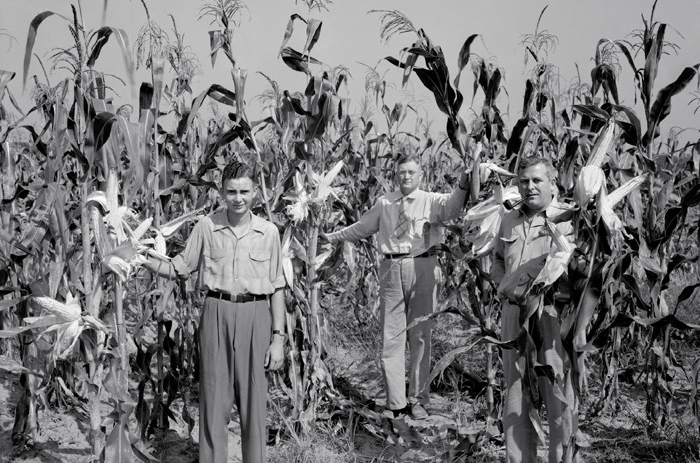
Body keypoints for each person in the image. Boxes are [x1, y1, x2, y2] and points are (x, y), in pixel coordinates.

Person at [141, 160, 286, 463]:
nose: (238, 198)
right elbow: (179, 267)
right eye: (231, 191)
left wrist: (278, 339)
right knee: (213, 401)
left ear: (255, 192)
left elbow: (277, 288)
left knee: (254, 406)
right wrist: (141, 258)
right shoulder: (207, 226)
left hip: (256, 315)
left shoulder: (269, 232)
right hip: (216, 313)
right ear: (221, 192)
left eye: (244, 191)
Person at [321, 154, 468, 419]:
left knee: (421, 337)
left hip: (424, 266)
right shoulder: (384, 202)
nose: (406, 176)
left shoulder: (432, 200)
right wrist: (331, 237)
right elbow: (361, 228)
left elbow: (454, 207)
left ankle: (419, 400)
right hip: (391, 269)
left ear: (420, 174)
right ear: (395, 175)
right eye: (402, 172)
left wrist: (465, 184)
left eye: (411, 172)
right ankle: (396, 403)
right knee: (392, 337)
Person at [491, 154, 578, 463]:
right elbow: (498, 260)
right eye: (523, 181)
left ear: (552, 183)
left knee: (556, 398)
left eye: (537, 180)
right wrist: (503, 286)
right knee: (516, 397)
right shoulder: (509, 218)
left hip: (553, 317)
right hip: (514, 315)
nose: (529, 187)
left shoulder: (569, 218)